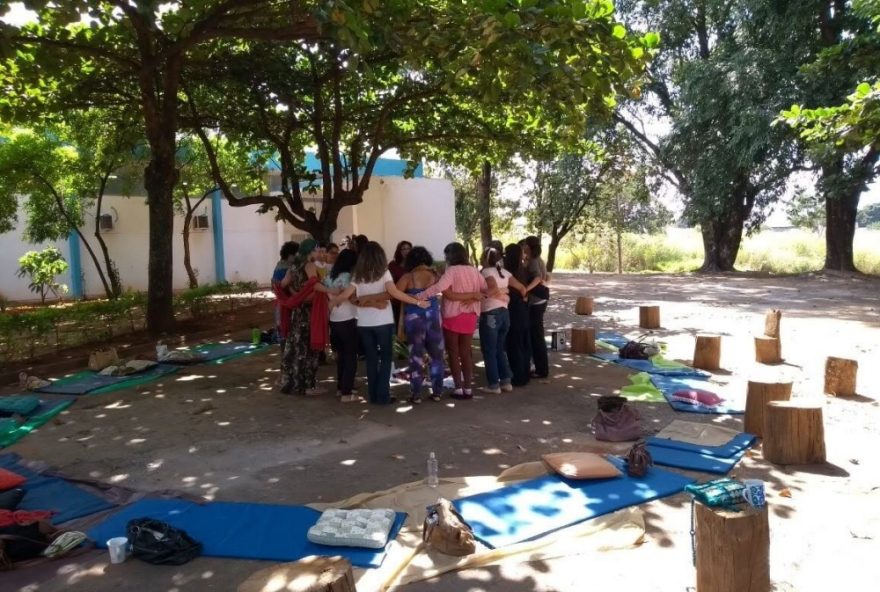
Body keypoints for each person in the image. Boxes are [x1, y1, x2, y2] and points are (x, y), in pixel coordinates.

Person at [330, 241, 428, 405]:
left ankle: (373, 395)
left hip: (364, 324)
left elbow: (347, 295)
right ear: (379, 256)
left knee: (371, 359)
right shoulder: (384, 272)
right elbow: (395, 292)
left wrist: (332, 303)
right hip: (383, 322)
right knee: (386, 357)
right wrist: (416, 301)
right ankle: (383, 396)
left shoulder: (357, 275)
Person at [415, 242, 487, 399]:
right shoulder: (474, 271)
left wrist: (419, 296)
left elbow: (438, 287)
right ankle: (468, 388)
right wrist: (472, 296)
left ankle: (458, 388)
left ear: (450, 256)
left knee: (453, 353)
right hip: (470, 315)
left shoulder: (452, 270)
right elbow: (485, 288)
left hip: (453, 315)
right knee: (466, 353)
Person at [396, 246, 444, 403]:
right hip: (434, 317)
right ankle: (437, 392)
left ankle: (416, 394)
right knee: (436, 355)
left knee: (415, 356)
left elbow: (396, 294)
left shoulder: (408, 277)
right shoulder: (436, 275)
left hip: (414, 319)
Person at [279, 239, 324, 395]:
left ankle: (291, 383)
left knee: (295, 347)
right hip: (310, 313)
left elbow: (282, 285)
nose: (319, 253)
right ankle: (307, 385)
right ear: (310, 251)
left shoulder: (292, 267)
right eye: (317, 250)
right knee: (309, 349)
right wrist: (330, 289)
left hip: (296, 313)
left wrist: (294, 294)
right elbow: (314, 287)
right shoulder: (310, 266)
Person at [479, 246, 527, 394]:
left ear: (484, 259)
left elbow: (491, 290)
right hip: (505, 314)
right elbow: (522, 288)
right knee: (499, 349)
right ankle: (506, 381)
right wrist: (507, 294)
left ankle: (493, 384)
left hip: (490, 314)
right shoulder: (505, 273)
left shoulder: (485, 272)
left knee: (489, 350)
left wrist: (492, 294)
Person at [324, 249, 359, 402]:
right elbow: (350, 298)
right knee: (351, 355)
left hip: (334, 320)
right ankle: (346, 392)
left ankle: (341, 387)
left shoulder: (330, 276)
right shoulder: (348, 277)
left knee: (342, 355)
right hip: (349, 318)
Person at [522, 235, 550, 378]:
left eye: (525, 245)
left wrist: (526, 289)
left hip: (535, 301)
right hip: (541, 300)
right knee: (537, 335)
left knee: (536, 337)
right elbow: (546, 277)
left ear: (528, 246)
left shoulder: (533, 261)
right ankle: (540, 367)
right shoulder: (538, 260)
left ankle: (541, 370)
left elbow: (538, 277)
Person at [504, 243, 531, 387]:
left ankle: (518, 377)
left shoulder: (508, 271)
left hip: (513, 309)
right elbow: (524, 290)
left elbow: (519, 289)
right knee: (523, 344)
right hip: (522, 309)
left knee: (514, 345)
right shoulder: (522, 270)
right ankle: (525, 374)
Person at [271, 241, 299, 343]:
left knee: (283, 333)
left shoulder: (279, 265)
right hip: (286, 304)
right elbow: (280, 286)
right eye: (296, 254)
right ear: (291, 255)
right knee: (287, 333)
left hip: (280, 303)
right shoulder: (287, 267)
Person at [388, 241, 412, 331]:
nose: (406, 251)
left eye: (408, 248)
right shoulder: (393, 265)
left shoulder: (414, 265)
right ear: (399, 251)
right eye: (404, 249)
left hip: (411, 300)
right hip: (397, 300)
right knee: (399, 327)